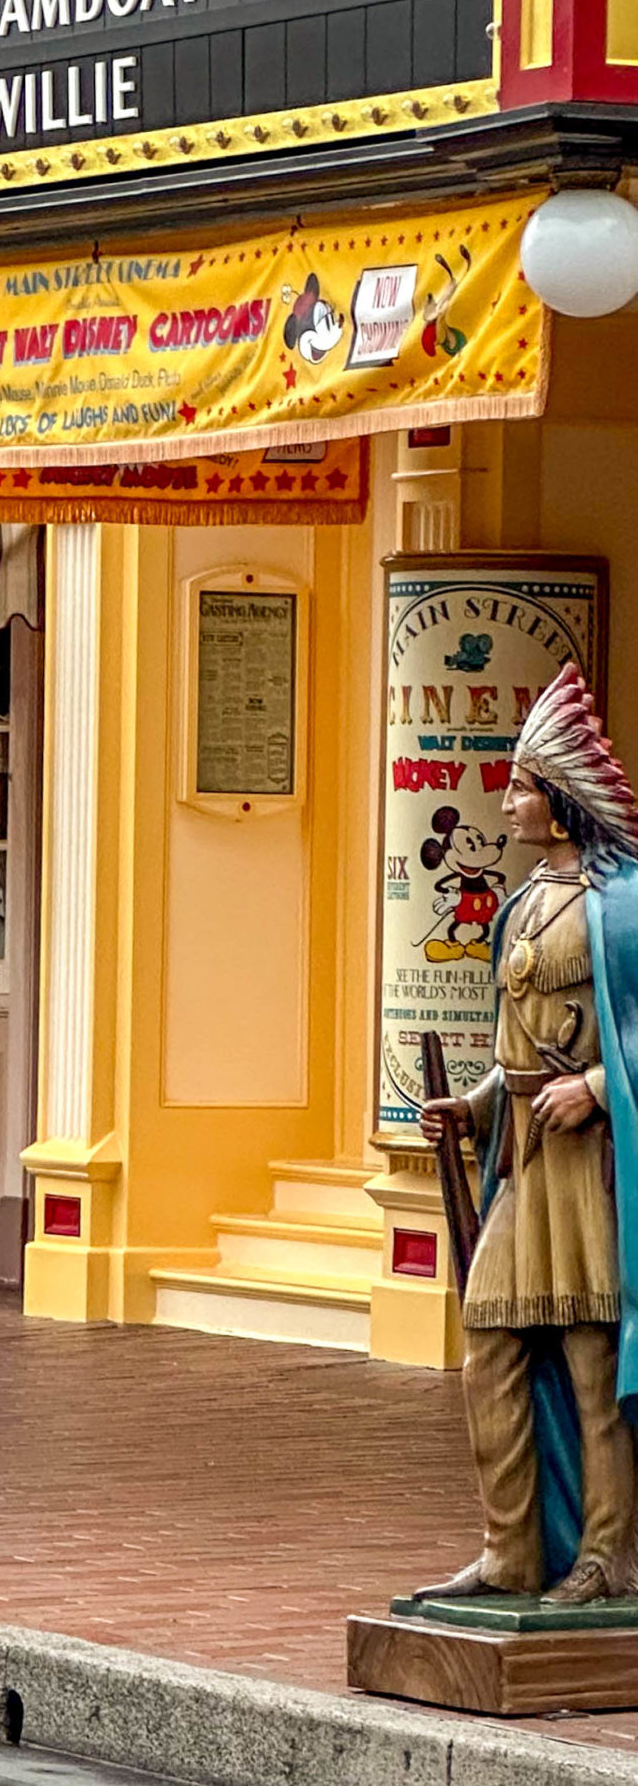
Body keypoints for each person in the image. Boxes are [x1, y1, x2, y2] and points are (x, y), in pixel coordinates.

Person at [418, 659, 638, 1605]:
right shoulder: (517, 907)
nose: (504, 803)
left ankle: (603, 1559)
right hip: (523, 1162)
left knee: (592, 1365)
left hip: (590, 1168)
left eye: (518, 787)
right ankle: (511, 1550)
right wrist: (471, 1108)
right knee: (490, 1346)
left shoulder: (619, 910)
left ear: (557, 802)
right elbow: (513, 1050)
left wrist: (594, 1084)